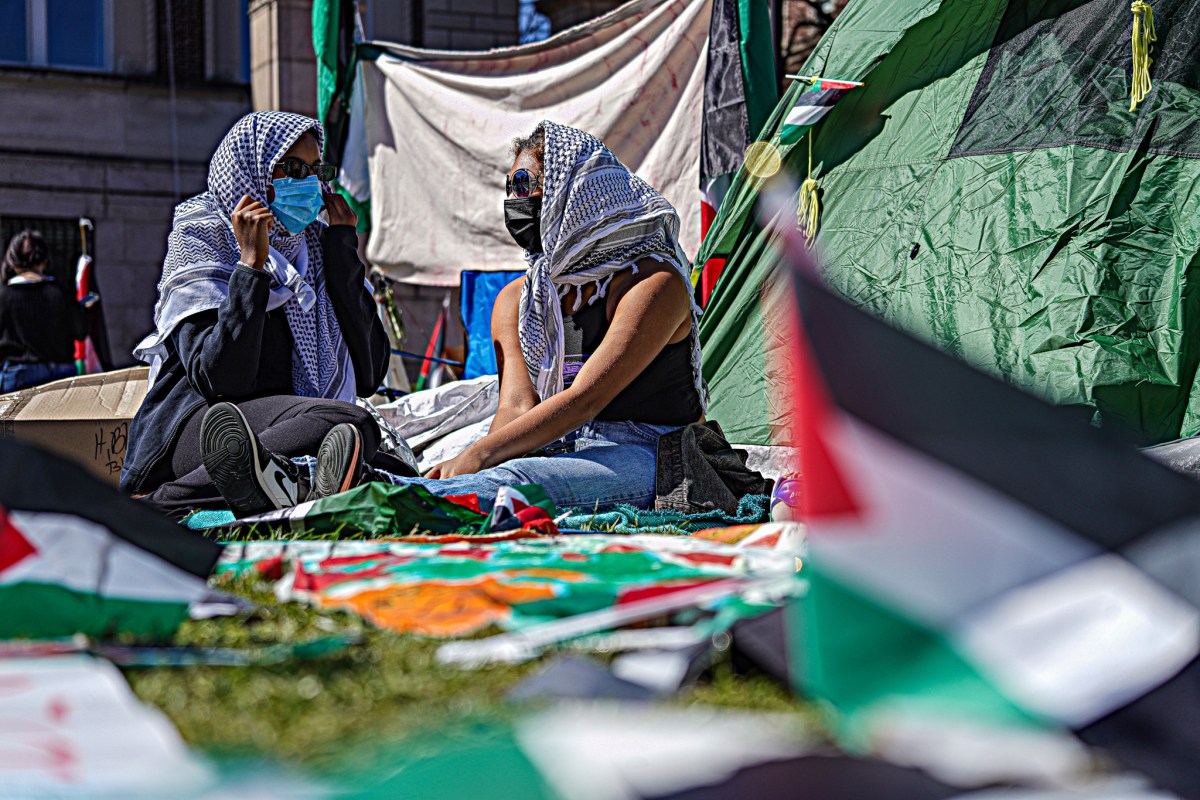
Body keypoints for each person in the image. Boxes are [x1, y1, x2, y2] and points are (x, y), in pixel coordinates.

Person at [306, 120, 709, 512]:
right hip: (561, 440)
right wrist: (476, 458)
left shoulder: (654, 283)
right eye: (509, 187)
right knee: (490, 464)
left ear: (571, 192)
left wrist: (482, 457)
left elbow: (585, 400)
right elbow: (516, 407)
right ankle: (321, 482)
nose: (513, 202)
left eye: (522, 185)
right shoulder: (519, 300)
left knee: (519, 482)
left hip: (654, 449)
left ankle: (373, 497)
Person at [120, 111, 406, 518]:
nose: (308, 183)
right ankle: (164, 502)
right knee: (346, 423)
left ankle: (287, 484)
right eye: (291, 168)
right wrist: (250, 267)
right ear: (251, 172)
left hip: (286, 429)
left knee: (369, 443)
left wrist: (343, 251)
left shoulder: (318, 250)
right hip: (202, 429)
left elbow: (370, 372)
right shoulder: (202, 236)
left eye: (314, 170)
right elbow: (222, 379)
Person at [0, 230, 93, 393]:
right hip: (60, 375)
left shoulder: (3, 295)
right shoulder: (61, 292)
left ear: (12, 261)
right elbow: (80, 331)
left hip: (18, 374)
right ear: (43, 261)